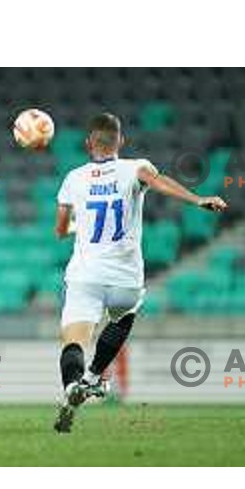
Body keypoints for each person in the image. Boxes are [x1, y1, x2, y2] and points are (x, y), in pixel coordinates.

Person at [53, 113, 227, 433]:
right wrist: (198, 199)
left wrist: (81, 226)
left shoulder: (73, 178)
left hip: (85, 276)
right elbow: (159, 182)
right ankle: (92, 378)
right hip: (125, 278)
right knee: (124, 314)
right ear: (121, 141)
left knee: (73, 340)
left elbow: (61, 230)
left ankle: (72, 387)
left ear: (88, 143)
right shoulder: (135, 167)